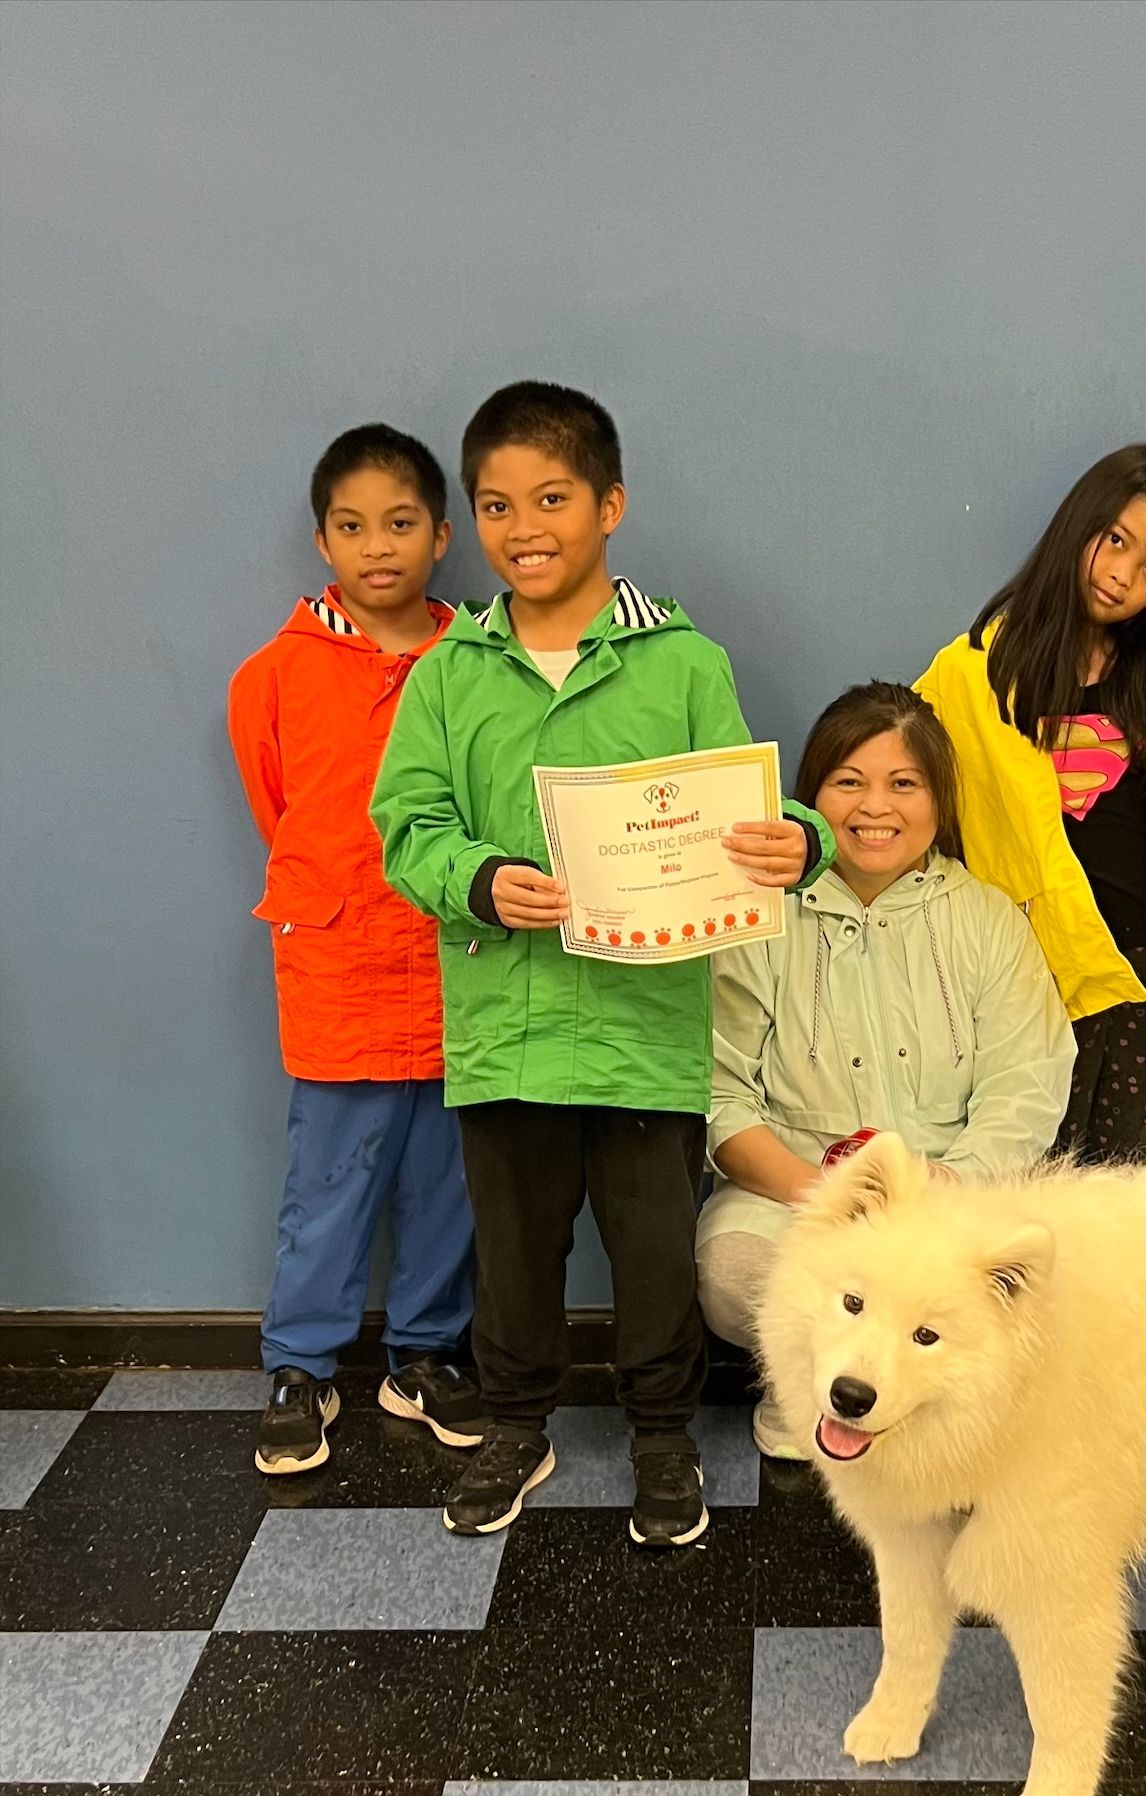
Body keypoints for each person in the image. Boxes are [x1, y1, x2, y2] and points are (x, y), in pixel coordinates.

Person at [372, 381, 831, 1542]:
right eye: (493, 504)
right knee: (514, 1260)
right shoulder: (447, 673)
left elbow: (738, 814)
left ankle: (663, 1438)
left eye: (553, 497)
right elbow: (405, 823)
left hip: (644, 1033)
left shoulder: (682, 665)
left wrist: (801, 837)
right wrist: (478, 879)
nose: (523, 527)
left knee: (654, 1259)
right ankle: (514, 1428)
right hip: (506, 1031)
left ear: (610, 505)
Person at [699, 681, 1074, 1462]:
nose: (877, 808)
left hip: (956, 1200)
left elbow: (1026, 1084)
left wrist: (938, 1196)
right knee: (735, 1269)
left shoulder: (988, 921)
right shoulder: (756, 917)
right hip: (796, 1194)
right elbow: (718, 1089)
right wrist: (830, 1200)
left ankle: (931, 1405)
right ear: (812, 797)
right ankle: (802, 1392)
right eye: (849, 782)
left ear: (939, 800)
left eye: (904, 784)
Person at [229, 424, 484, 1476]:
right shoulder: (275, 675)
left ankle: (426, 1352)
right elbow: (275, 802)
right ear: (322, 539)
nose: (377, 545)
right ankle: (300, 1363)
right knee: (330, 1177)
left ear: (439, 535)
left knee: (449, 1176)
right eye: (351, 525)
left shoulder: (477, 658)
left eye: (400, 523)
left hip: (459, 964)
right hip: (336, 968)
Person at [916, 444, 1146, 1162]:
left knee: (1114, 1192)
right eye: (1114, 540)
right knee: (1014, 1181)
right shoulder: (978, 669)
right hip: (1030, 971)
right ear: (1078, 526)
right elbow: (906, 785)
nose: (1121, 576)